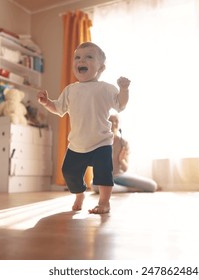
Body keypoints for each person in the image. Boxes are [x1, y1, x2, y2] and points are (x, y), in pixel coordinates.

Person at [37, 42, 130, 214]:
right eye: (78, 57)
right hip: (77, 144)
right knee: (68, 171)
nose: (82, 60)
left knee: (103, 175)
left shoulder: (105, 88)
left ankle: (104, 202)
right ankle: (79, 194)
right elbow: (58, 108)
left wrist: (123, 89)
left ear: (101, 67)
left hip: (101, 142)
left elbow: (120, 105)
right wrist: (47, 102)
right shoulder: (70, 90)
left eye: (89, 57)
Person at [92, 113, 158, 193]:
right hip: (104, 177)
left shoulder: (123, 143)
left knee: (152, 186)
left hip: (120, 176)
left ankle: (116, 188)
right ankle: (127, 189)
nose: (114, 124)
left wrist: (121, 160)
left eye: (116, 121)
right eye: (111, 121)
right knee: (94, 186)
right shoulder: (99, 142)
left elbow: (125, 168)